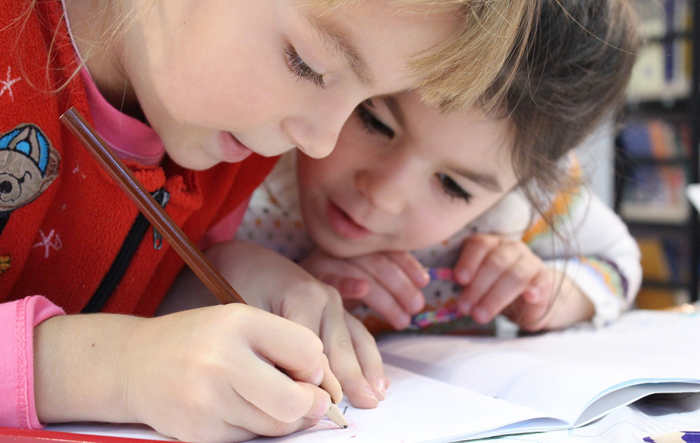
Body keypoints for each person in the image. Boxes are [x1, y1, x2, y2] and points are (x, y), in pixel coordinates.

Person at [0, 0, 537, 442]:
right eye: (308, 65)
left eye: (366, 100)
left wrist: (218, 279)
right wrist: (116, 370)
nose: (320, 140)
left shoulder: (236, 144)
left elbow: (111, 292)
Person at [212, 0, 642, 337]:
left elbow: (620, 261)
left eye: (453, 187)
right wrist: (262, 285)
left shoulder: (525, 210)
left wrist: (553, 292)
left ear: (522, 187)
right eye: (374, 121)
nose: (383, 195)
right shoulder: (248, 155)